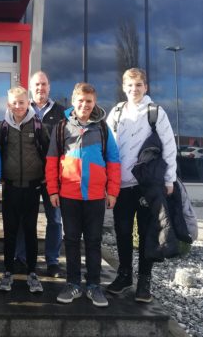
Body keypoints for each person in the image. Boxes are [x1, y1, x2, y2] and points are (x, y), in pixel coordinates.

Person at [105, 67, 177, 303]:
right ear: (123, 87)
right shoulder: (116, 112)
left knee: (147, 233)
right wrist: (107, 181)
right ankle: (124, 275)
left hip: (148, 185)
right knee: (123, 231)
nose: (134, 89)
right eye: (129, 85)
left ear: (145, 87)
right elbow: (107, 147)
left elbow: (169, 146)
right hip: (122, 186)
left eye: (138, 85)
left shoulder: (155, 112)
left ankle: (144, 280)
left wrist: (169, 179)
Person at [45, 82, 121, 307]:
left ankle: (94, 285)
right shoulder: (61, 128)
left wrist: (113, 191)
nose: (84, 105)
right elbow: (51, 161)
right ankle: (73, 284)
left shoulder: (103, 129)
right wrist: (53, 190)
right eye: (80, 100)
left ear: (94, 103)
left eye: (89, 101)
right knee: (70, 241)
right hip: (69, 194)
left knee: (94, 241)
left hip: (96, 196)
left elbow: (113, 161)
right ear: (73, 101)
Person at [0, 86, 49, 294]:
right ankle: (7, 271)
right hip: (10, 188)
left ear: (28, 103)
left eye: (21, 102)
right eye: (14, 103)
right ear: (8, 104)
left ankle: (32, 272)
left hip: (32, 188)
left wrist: (45, 177)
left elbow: (47, 152)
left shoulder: (38, 125)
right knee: (9, 231)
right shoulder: (2, 127)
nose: (18, 106)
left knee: (30, 231)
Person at [15, 70, 65, 277]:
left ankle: (52, 261)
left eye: (44, 84)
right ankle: (22, 258)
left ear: (49, 87)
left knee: (55, 220)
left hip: (53, 177)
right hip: (29, 175)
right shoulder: (23, 109)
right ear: (30, 87)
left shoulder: (61, 112)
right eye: (36, 84)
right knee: (25, 219)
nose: (40, 88)